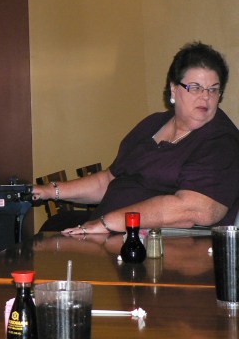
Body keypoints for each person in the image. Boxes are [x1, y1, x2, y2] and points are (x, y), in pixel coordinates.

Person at [33, 41, 239, 235]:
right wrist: (49, 191)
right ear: (174, 89)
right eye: (195, 87)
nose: (206, 96)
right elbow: (108, 180)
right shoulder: (152, 124)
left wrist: (107, 223)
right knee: (49, 231)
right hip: (112, 233)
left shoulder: (221, 141)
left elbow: (193, 210)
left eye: (213, 89)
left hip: (157, 247)